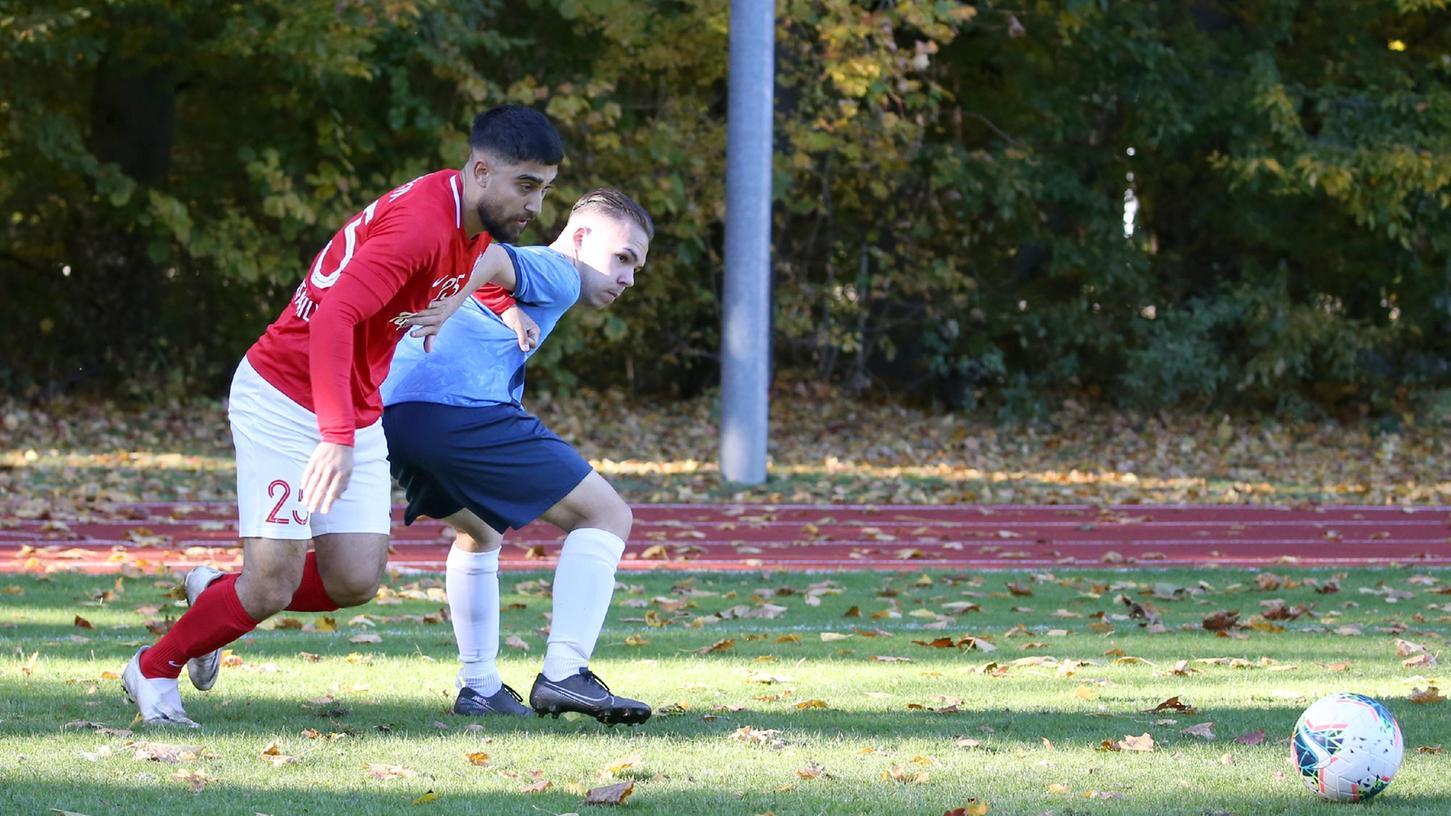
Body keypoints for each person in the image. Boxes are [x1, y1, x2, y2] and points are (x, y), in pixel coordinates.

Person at [121, 106, 563, 727]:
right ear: (482, 170)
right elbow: (333, 318)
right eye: (526, 186)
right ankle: (153, 669)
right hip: (283, 396)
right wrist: (334, 435)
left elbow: (476, 260)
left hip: (352, 402)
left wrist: (494, 304)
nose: (536, 205)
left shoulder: (469, 212)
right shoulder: (421, 226)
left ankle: (218, 592)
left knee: (354, 578)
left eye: (545, 188)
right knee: (271, 584)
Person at [380, 188, 653, 725]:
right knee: (607, 514)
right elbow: (494, 256)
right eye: (622, 258)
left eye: (636, 267)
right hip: (460, 413)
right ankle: (565, 673)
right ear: (580, 237)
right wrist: (467, 304)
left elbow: (478, 263)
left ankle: (479, 686)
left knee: (480, 533)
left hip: (397, 416)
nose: (628, 278)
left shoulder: (536, 280)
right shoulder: (562, 271)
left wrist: (495, 307)